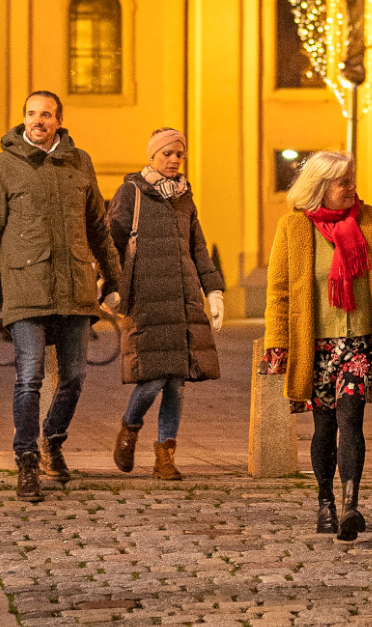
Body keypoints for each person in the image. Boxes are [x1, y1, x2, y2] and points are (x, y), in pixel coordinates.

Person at [259, 150, 372, 542]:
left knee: (351, 418)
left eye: (352, 180)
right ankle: (325, 501)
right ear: (320, 187)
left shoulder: (370, 220)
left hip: (359, 343)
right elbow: (278, 290)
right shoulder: (293, 227)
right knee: (324, 426)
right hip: (314, 347)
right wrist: (276, 342)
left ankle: (351, 505)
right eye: (343, 182)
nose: (352, 188)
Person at [0, 90, 122, 503]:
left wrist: (114, 277)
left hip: (74, 288)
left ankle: (52, 441)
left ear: (59, 120)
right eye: (31, 114)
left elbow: (99, 228)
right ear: (23, 119)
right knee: (30, 377)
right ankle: (26, 459)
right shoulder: (2, 167)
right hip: (25, 289)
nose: (38, 121)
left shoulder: (80, 162)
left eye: (46, 115)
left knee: (74, 376)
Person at [107, 128, 225, 481]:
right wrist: (110, 286)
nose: (174, 160)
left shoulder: (185, 198)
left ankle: (165, 458)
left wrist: (213, 291)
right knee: (153, 380)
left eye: (179, 155)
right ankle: (129, 428)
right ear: (152, 156)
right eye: (167, 154)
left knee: (176, 383)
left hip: (183, 299)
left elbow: (198, 248)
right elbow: (110, 243)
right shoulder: (131, 193)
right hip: (146, 299)